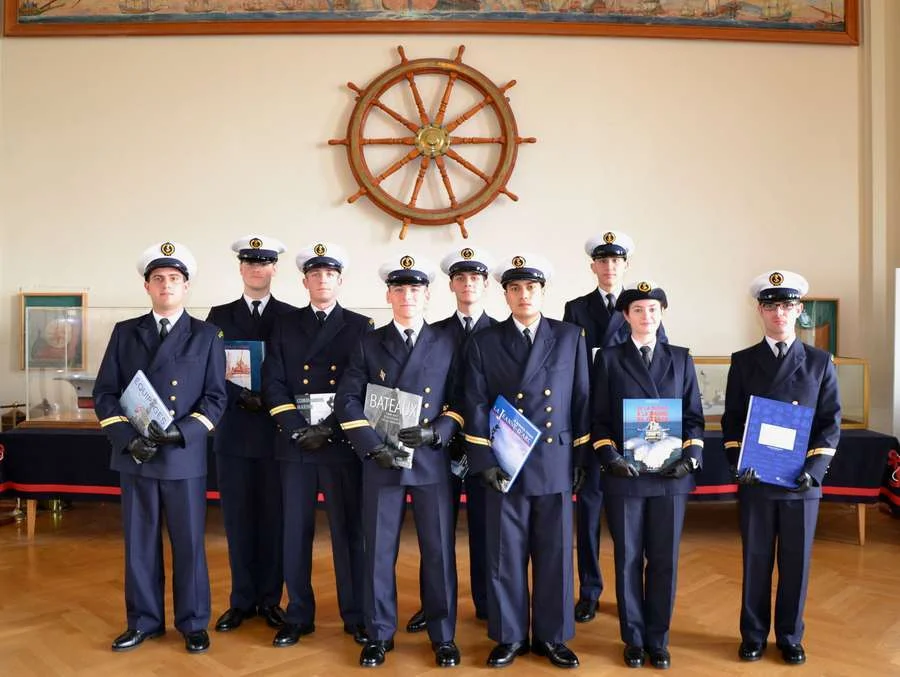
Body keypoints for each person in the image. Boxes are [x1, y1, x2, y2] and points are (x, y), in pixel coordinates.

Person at [93, 241, 227, 655]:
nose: (166, 285)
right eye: (158, 279)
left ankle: (192, 622)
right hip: (134, 454)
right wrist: (126, 438)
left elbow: (216, 398)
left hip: (182, 456)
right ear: (147, 286)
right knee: (139, 545)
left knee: (188, 544)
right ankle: (144, 621)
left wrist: (182, 432)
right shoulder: (124, 333)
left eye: (174, 279)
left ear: (186, 287)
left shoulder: (206, 336)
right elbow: (105, 393)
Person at [463, 252, 590, 669]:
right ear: (505, 294)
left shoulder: (570, 336)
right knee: (505, 554)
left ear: (542, 291)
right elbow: (476, 402)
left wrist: (580, 457)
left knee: (554, 553)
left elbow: (580, 400)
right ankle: (510, 635)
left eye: (531, 287)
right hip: (506, 462)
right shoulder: (485, 341)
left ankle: (552, 637)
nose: (523, 295)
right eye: (515, 288)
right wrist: (483, 460)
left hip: (553, 459)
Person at [335, 253, 462, 668]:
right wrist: (372, 445)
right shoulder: (368, 342)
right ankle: (378, 633)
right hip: (381, 462)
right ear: (388, 295)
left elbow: (461, 402)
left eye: (415, 289)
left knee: (438, 551)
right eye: (399, 288)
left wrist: (438, 431)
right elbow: (348, 399)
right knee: (378, 550)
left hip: (430, 462)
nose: (407, 295)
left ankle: (443, 634)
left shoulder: (447, 343)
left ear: (427, 295)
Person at [721, 270, 841, 666]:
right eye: (771, 305)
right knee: (756, 560)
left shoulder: (820, 361)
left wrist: (815, 469)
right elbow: (732, 420)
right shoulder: (743, 361)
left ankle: (790, 635)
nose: (779, 313)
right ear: (760, 310)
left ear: (799, 310)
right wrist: (740, 462)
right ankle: (753, 635)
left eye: (787, 305)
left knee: (796, 562)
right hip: (757, 479)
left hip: (800, 482)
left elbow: (830, 422)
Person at [262, 242, 373, 648]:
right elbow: (272, 382)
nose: (322, 280)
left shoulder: (361, 327)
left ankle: (356, 615)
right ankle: (298, 615)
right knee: (295, 531)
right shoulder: (285, 325)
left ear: (340, 281)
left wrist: (327, 428)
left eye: (329, 274)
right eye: (315, 274)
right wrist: (296, 428)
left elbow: (358, 384)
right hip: (295, 445)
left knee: (348, 530)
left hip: (340, 442)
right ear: (304, 281)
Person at [590, 280, 704, 670]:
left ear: (661, 314)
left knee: (664, 559)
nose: (646, 316)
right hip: (627, 475)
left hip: (671, 477)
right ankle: (633, 638)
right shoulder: (607, 359)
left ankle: (659, 638)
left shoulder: (682, 358)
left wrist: (689, 458)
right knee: (627, 559)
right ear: (626, 316)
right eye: (638, 310)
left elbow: (694, 420)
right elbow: (599, 419)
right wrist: (609, 458)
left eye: (653, 309)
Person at [563, 230, 667, 624]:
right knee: (588, 513)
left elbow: (661, 371)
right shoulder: (577, 309)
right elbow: (571, 367)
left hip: (635, 431)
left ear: (626, 266)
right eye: (603, 261)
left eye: (616, 261)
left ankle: (634, 595)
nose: (609, 267)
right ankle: (590, 589)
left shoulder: (646, 305)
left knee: (630, 516)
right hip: (592, 424)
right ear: (593, 266)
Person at [404, 246, 498, 634]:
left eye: (474, 278)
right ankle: (435, 604)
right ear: (450, 285)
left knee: (488, 528)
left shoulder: (501, 332)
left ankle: (488, 601)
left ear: (486, 284)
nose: (467, 284)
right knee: (436, 532)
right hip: (438, 446)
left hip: (487, 447)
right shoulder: (436, 333)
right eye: (460, 278)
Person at [206, 235, 296, 634]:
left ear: (275, 268)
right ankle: (241, 600)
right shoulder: (218, 315)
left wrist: (272, 399)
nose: (257, 269)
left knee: (275, 520)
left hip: (277, 435)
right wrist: (238, 396)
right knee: (238, 520)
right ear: (240, 269)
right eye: (250, 263)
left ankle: (271, 600)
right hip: (234, 434)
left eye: (264, 263)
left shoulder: (292, 317)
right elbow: (207, 371)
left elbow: (296, 372)